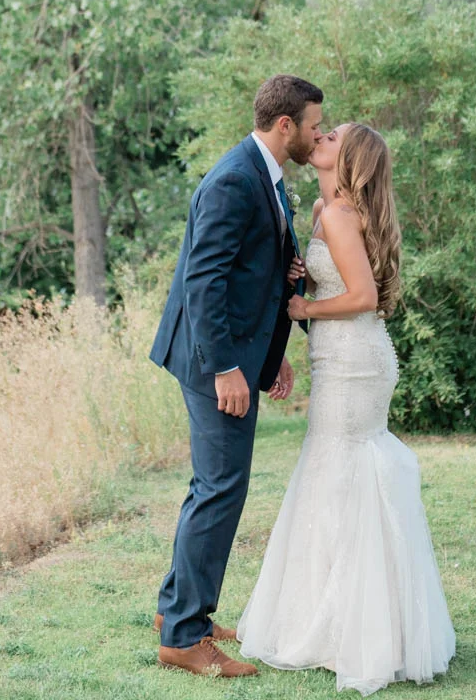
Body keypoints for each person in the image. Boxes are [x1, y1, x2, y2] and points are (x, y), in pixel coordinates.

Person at [237, 122, 456, 695]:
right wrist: (302, 277)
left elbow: (362, 296)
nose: (320, 138)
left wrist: (305, 308)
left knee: (342, 472)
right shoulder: (323, 210)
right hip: (340, 357)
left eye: (331, 137)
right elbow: (334, 277)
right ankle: (340, 618)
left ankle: (355, 631)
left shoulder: (338, 214)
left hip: (356, 362)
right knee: (333, 472)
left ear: (350, 158)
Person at [149, 74, 325, 680]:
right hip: (210, 360)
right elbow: (204, 281)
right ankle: (183, 636)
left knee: (212, 485)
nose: (318, 135)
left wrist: (272, 352)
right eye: (313, 126)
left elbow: (254, 270)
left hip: (234, 353)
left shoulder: (264, 174)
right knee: (221, 487)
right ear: (286, 125)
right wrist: (227, 367)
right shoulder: (234, 179)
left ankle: (175, 610)